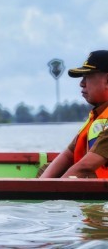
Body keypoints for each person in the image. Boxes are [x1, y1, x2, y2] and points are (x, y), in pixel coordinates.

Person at [40, 50, 108, 178]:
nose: (81, 83)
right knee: (45, 168)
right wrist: (41, 184)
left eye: (87, 77)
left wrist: (51, 193)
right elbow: (68, 155)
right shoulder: (97, 116)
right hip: (92, 191)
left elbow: (84, 167)